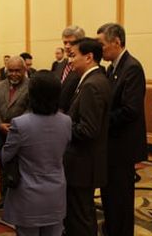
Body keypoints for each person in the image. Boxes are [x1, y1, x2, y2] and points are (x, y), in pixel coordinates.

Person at [2, 70, 71, 236]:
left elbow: (5, 156)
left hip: (28, 195)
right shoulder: (66, 121)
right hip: (56, 193)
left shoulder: (20, 124)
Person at [97, 23, 147, 236]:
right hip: (111, 146)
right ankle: (112, 228)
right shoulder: (112, 68)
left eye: (102, 45)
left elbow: (130, 110)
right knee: (110, 196)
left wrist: (101, 122)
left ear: (116, 42)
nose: (100, 50)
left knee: (121, 197)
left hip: (123, 147)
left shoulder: (132, 67)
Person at [64, 38, 111, 235]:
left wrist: (62, 125)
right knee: (81, 213)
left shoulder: (92, 85)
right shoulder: (93, 80)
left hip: (83, 164)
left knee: (81, 217)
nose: (70, 60)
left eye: (73, 55)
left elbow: (88, 130)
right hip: (84, 163)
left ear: (89, 57)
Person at [0, 56, 29, 210]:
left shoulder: (31, 86)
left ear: (24, 70)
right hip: (1, 135)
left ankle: (20, 200)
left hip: (21, 136)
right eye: (10, 70)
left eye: (17, 71)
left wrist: (16, 126)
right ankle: (3, 197)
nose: (13, 74)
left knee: (21, 169)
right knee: (3, 167)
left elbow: (31, 109)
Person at [56, 26, 85, 113]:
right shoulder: (60, 65)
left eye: (71, 43)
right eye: (65, 43)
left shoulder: (84, 67)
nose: (67, 46)